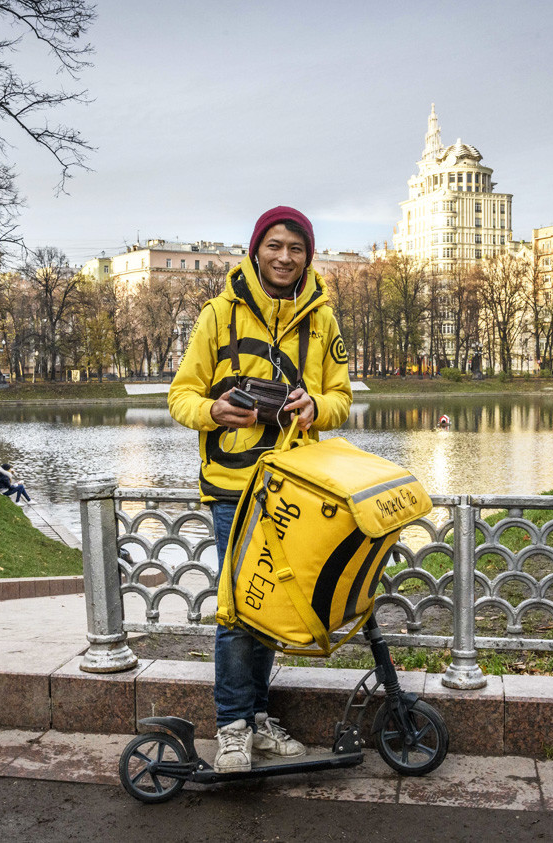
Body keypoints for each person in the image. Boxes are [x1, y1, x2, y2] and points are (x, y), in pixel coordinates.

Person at [168, 207, 353, 774]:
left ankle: (257, 720)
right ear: (256, 249)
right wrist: (212, 410)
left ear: (307, 256)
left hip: (292, 489)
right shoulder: (217, 315)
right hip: (231, 488)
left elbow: (343, 398)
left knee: (269, 606)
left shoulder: (323, 320)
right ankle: (231, 727)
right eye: (275, 245)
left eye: (296, 248)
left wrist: (316, 405)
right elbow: (180, 397)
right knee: (235, 611)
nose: (284, 257)